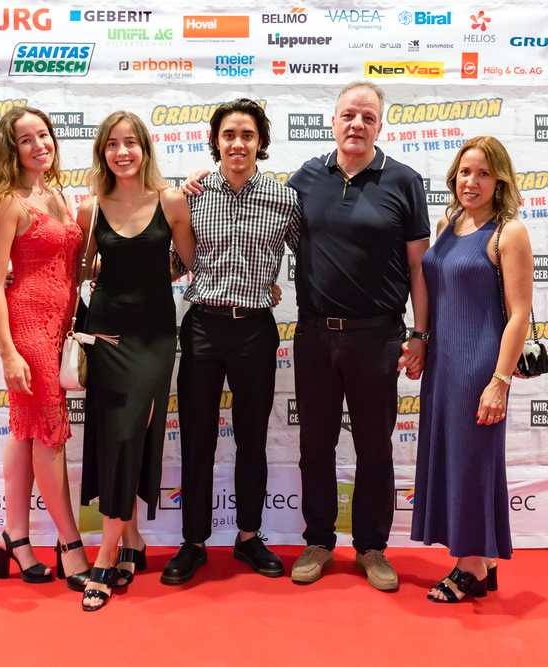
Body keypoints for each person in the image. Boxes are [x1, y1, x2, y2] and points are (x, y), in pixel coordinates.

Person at [288, 82, 429, 590]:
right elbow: (252, 207)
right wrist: (201, 181)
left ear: (380, 126)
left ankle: (371, 547)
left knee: (375, 447)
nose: (357, 124)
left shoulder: (404, 181)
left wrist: (420, 333)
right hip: (314, 335)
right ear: (333, 121)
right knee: (314, 445)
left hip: (378, 337)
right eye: (349, 114)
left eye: (368, 117)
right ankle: (318, 541)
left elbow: (419, 268)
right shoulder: (304, 179)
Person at [161, 98, 301, 586]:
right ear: (215, 141)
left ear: (260, 142)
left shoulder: (285, 199)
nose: (237, 143)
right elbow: (173, 264)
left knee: (252, 439)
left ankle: (248, 536)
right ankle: (193, 541)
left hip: (256, 330)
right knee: (197, 438)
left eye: (247, 135)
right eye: (228, 135)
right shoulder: (192, 196)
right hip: (202, 325)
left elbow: (313, 259)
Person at [76, 111, 194, 611]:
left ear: (145, 148)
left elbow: (190, 262)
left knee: (129, 432)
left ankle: (104, 556)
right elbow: (77, 272)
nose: (122, 152)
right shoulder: (90, 208)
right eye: (112, 144)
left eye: (130, 143)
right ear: (102, 152)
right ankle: (132, 540)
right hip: (106, 334)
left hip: (154, 336)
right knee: (119, 438)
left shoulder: (170, 201)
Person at [410, 136, 533, 602]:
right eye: (465, 172)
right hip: (442, 363)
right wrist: (422, 342)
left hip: (479, 366)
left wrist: (499, 382)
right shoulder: (449, 222)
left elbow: (519, 314)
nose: (472, 181)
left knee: (472, 463)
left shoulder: (509, 232)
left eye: (483, 173)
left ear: (499, 179)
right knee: (453, 460)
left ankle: (471, 568)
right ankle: (483, 557)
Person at [0, 106, 90, 589]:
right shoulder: (8, 202)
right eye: (26, 139)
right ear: (12, 149)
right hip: (27, 329)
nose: (39, 145)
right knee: (49, 433)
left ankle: (15, 538)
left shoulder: (57, 193)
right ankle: (70, 544)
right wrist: (8, 352)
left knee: (25, 431)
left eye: (43, 135)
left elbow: (70, 263)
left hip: (60, 327)